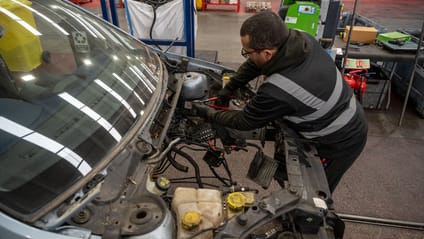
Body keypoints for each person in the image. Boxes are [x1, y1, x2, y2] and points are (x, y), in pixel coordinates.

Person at [193, 10, 368, 193]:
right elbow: (255, 63)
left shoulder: (278, 89)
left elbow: (245, 121)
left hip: (340, 138)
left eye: (247, 52)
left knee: (313, 198)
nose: (247, 56)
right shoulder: (300, 40)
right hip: (339, 108)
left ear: (268, 53)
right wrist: (230, 87)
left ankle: (299, 220)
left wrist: (208, 113)